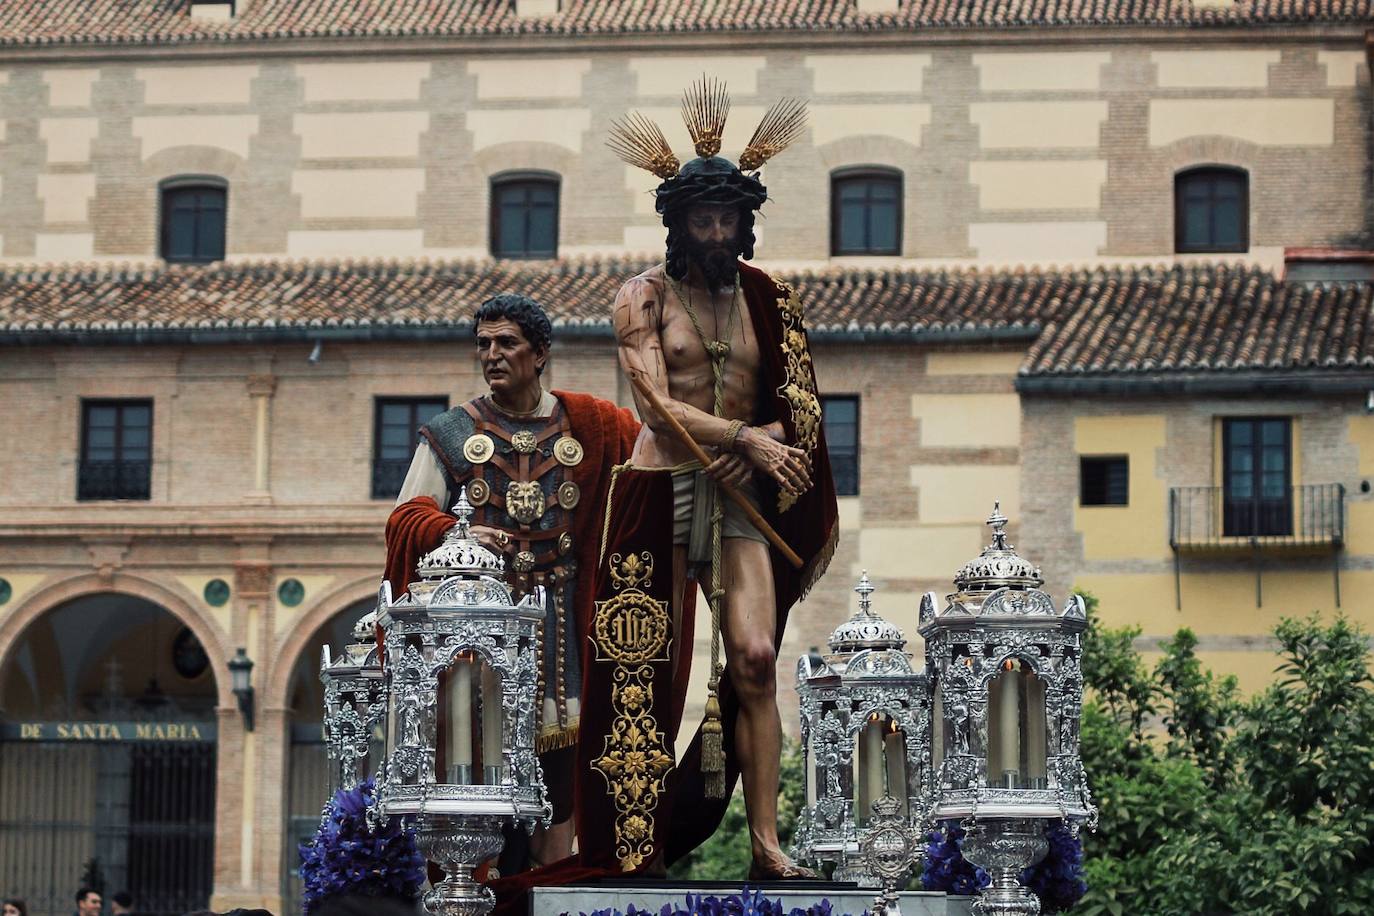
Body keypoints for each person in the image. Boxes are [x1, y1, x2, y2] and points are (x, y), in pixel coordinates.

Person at [586, 78, 838, 878]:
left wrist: (758, 442)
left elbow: (798, 408)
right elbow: (654, 404)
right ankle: (631, 849)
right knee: (641, 668)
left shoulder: (773, 301)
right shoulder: (643, 297)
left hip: (740, 498)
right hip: (658, 491)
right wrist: (744, 439)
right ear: (678, 224)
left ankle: (767, 846)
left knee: (758, 658)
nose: (719, 231)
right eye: (704, 218)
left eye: (730, 217)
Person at [383, 292, 640, 869]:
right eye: (483, 344)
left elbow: (650, 473)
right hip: (475, 641)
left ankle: (547, 889)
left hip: (562, 638)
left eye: (506, 343)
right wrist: (457, 534)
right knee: (473, 779)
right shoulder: (451, 433)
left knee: (560, 788)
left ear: (540, 352)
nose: (492, 355)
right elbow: (406, 517)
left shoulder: (593, 427)